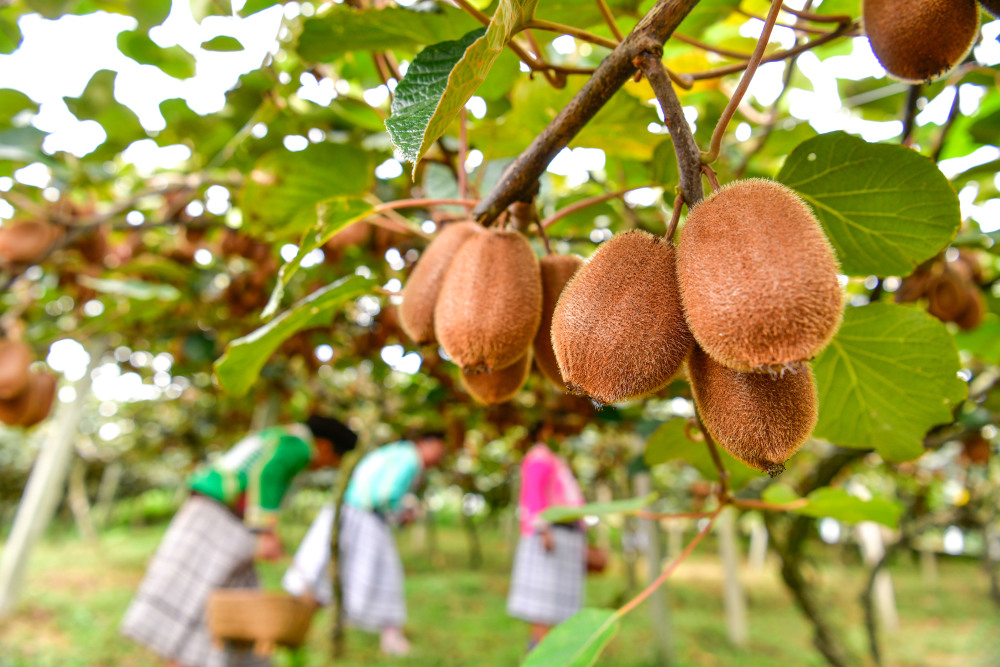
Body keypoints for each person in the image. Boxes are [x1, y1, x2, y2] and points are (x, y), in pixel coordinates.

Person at [120, 414, 358, 667]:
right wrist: (266, 531)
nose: (326, 467)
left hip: (210, 511)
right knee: (206, 595)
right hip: (217, 516)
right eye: (334, 460)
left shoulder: (281, 436)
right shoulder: (299, 445)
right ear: (325, 446)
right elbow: (267, 473)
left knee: (213, 592)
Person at [281, 433, 447, 657]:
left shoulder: (396, 452)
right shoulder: (409, 459)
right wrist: (404, 511)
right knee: (384, 573)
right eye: (438, 449)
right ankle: (390, 637)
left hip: (346, 511)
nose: (439, 457)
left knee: (324, 571)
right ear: (424, 443)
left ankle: (298, 628)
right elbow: (386, 495)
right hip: (362, 517)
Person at [507, 427, 587, 651]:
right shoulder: (538, 457)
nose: (562, 435)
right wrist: (543, 530)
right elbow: (533, 494)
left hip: (565, 536)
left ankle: (554, 654)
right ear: (542, 432)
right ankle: (539, 653)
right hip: (550, 535)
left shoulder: (553, 459)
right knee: (543, 607)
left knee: (559, 607)